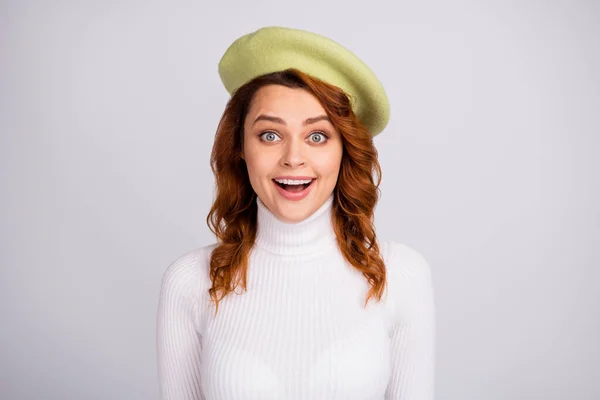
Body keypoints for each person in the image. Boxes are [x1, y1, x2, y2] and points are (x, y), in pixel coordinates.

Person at [156, 26, 436, 400]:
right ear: (240, 147)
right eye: (270, 135)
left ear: (345, 151)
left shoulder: (401, 275)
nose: (292, 157)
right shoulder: (189, 282)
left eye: (317, 136)